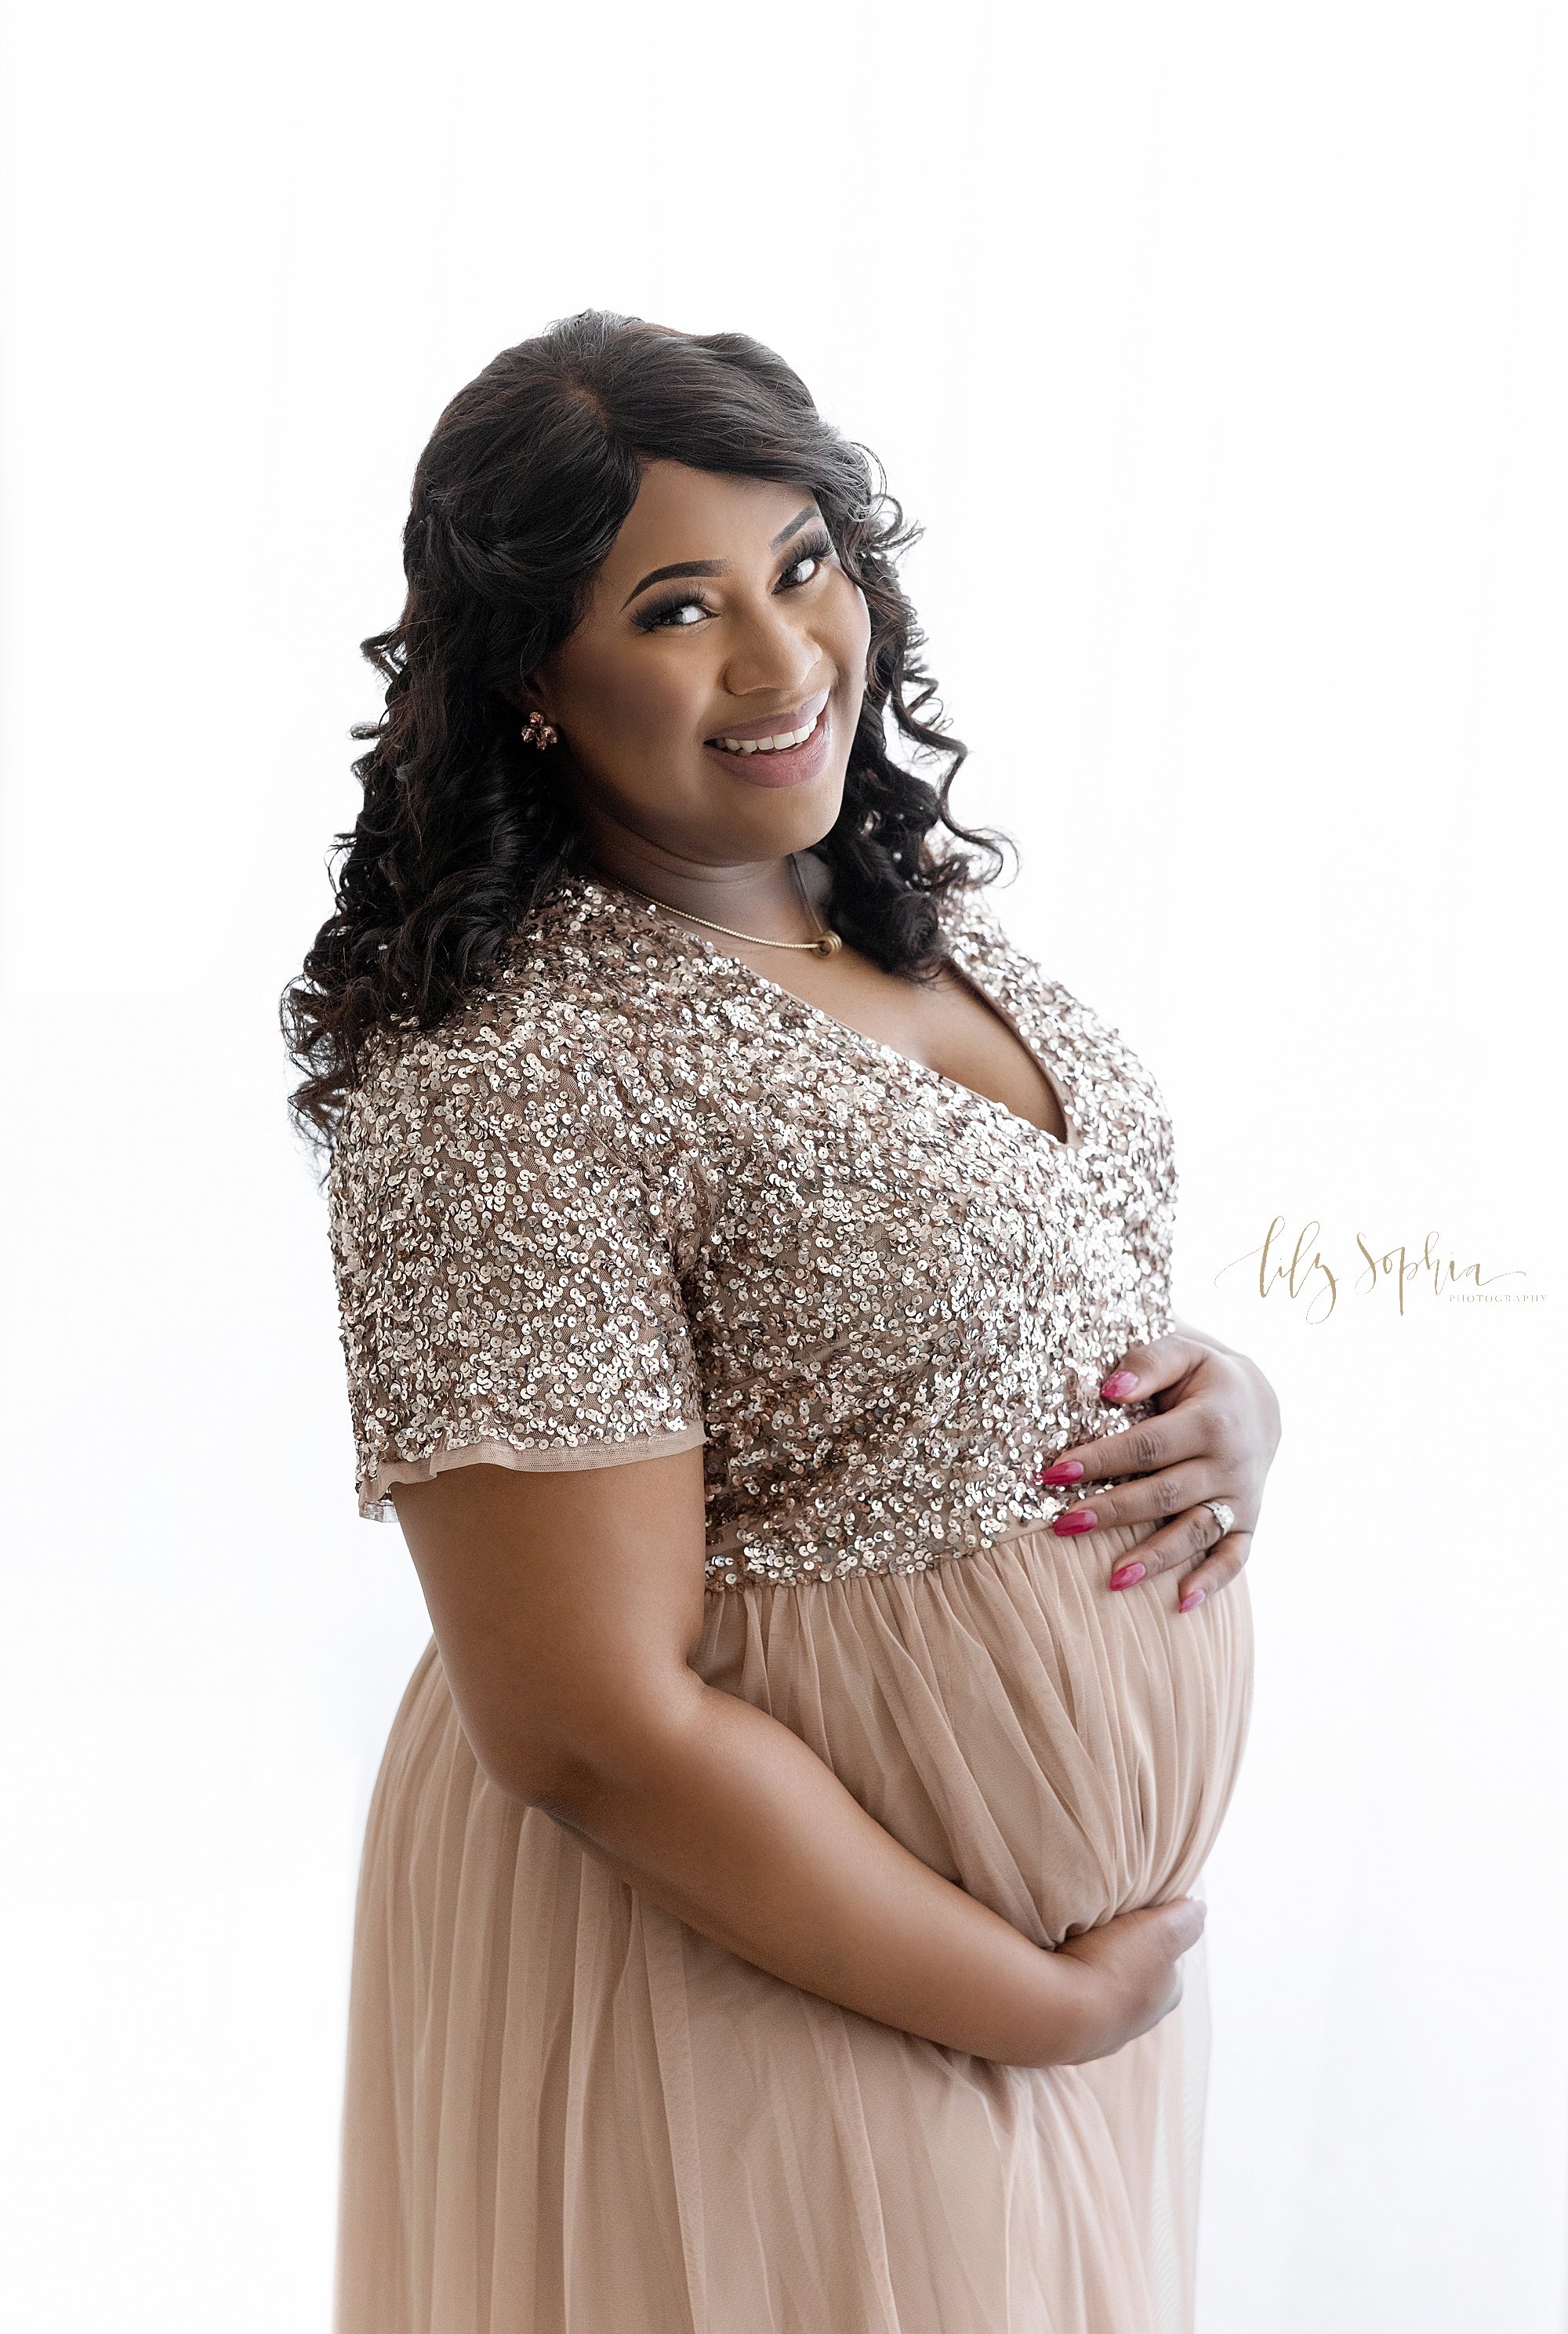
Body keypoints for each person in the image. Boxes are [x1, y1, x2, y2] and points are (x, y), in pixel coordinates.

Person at [285, 310, 1279, 2334]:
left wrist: (1234, 1405)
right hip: (765, 1984)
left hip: (1013, 2000)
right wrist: (1027, 2001)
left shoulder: (885, 911)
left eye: (804, 566)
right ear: (531, 686)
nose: (781, 658)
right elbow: (585, 1728)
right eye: (675, 608)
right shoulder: (505, 1078)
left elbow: (999, 1310)